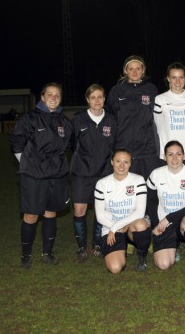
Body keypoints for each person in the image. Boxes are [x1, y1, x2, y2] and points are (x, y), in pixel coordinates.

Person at [10, 83, 73, 268]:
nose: (54, 98)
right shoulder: (29, 118)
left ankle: (47, 253)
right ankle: (26, 255)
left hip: (56, 174)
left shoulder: (65, 122)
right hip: (33, 176)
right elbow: (16, 141)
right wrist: (27, 163)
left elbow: (68, 146)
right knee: (31, 215)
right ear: (42, 97)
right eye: (50, 94)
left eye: (57, 95)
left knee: (50, 213)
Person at [70, 84, 117, 261]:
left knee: (100, 211)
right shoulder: (77, 120)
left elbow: (114, 146)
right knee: (79, 210)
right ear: (87, 100)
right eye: (93, 97)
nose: (97, 101)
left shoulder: (112, 121)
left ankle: (97, 244)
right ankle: (82, 247)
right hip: (81, 173)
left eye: (100, 97)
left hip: (104, 173)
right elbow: (72, 145)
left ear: (104, 99)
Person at [146, 141, 185, 271]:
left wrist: (169, 218)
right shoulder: (156, 174)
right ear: (164, 157)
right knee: (163, 264)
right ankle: (173, 246)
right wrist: (156, 224)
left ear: (184, 156)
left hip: (184, 224)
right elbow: (151, 202)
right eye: (170, 154)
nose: (175, 158)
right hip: (164, 225)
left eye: (178, 154)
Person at [94, 149, 152, 273]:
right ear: (112, 162)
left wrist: (118, 227)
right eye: (118, 161)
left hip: (131, 225)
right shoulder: (102, 184)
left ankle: (142, 257)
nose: (121, 165)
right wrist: (115, 228)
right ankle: (122, 248)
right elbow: (100, 216)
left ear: (130, 164)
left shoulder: (138, 180)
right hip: (110, 227)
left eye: (126, 162)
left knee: (141, 224)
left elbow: (140, 212)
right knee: (115, 268)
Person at [106, 55, 160, 178]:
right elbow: (110, 119)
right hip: (124, 149)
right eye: (131, 69)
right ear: (125, 70)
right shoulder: (116, 91)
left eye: (138, 68)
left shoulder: (151, 90)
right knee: (127, 190)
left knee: (150, 190)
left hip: (147, 150)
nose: (134, 72)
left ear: (143, 70)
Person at [154, 62, 185, 170]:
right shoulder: (160, 99)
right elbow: (158, 125)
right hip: (168, 153)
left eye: (181, 77)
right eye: (174, 77)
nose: (177, 81)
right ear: (168, 78)